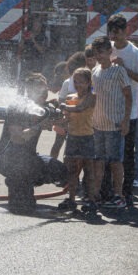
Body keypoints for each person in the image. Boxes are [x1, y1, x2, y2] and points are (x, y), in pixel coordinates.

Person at [0, 73, 67, 214]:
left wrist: (66, 117)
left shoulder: (43, 109)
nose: (45, 94)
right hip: (7, 159)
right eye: (41, 91)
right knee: (23, 207)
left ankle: (23, 181)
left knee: (60, 171)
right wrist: (39, 126)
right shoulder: (18, 107)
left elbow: (61, 128)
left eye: (46, 91)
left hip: (29, 158)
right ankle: (15, 181)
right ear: (30, 91)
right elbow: (17, 138)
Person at [108, 15, 138, 204]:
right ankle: (109, 189)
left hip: (129, 111)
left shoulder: (135, 53)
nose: (115, 36)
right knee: (109, 152)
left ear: (126, 31)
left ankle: (127, 191)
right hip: (107, 110)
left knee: (127, 153)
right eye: (112, 32)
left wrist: (124, 68)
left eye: (118, 32)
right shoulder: (106, 49)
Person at [89, 36, 132, 212]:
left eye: (102, 51)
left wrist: (126, 120)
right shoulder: (95, 71)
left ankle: (119, 195)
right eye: (96, 52)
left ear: (109, 51)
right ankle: (96, 194)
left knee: (115, 162)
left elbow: (129, 96)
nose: (99, 55)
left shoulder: (118, 71)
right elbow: (93, 96)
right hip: (98, 124)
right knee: (98, 161)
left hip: (114, 124)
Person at [57, 67, 96, 215]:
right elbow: (68, 116)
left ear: (88, 83)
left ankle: (91, 200)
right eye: (76, 82)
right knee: (72, 171)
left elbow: (80, 109)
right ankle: (71, 199)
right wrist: (58, 120)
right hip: (72, 137)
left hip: (87, 137)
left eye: (82, 82)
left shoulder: (92, 97)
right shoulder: (71, 97)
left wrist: (61, 106)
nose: (78, 85)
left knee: (88, 170)